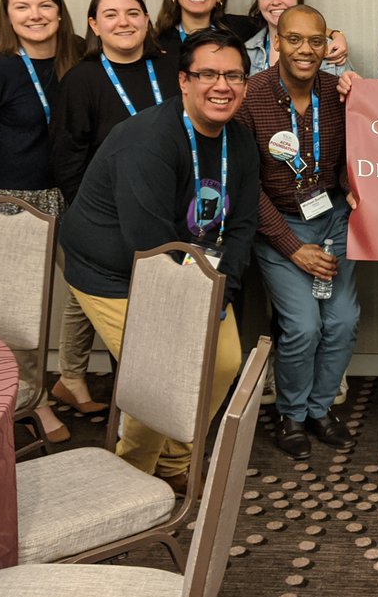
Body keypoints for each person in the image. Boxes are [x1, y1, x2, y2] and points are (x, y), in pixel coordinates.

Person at [59, 28, 260, 491]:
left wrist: (220, 292)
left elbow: (243, 226)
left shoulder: (241, 142)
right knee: (161, 372)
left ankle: (175, 461)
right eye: (208, 74)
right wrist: (193, 308)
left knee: (225, 361)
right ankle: (133, 479)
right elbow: (148, 242)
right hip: (114, 271)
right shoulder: (147, 140)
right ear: (184, 81)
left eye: (234, 75)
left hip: (196, 268)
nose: (222, 85)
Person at [0, 0, 98, 443]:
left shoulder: (81, 55)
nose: (34, 15)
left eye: (43, 5)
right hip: (13, 200)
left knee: (93, 289)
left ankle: (73, 376)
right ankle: (32, 400)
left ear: (59, 10)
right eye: (21, 7)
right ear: (7, 15)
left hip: (73, 194)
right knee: (23, 310)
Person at [236, 4, 359, 459]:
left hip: (332, 220)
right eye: (294, 39)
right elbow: (245, 189)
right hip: (278, 225)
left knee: (342, 321)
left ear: (327, 44)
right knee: (304, 326)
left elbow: (367, 149)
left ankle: (319, 410)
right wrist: (293, 248)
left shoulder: (340, 93)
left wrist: (357, 191)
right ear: (278, 41)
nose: (305, 50)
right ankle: (291, 416)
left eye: (315, 40)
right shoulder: (251, 97)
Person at [50, 0, 179, 205]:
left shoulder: (174, 69)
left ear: (146, 21)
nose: (124, 22)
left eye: (133, 13)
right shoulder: (80, 80)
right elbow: (68, 161)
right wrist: (91, 212)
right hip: (110, 208)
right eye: (111, 15)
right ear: (95, 25)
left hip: (175, 199)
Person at [244, 0, 351, 75]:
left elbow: (353, 90)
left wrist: (337, 35)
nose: (275, 2)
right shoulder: (246, 52)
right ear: (258, 2)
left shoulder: (331, 49)